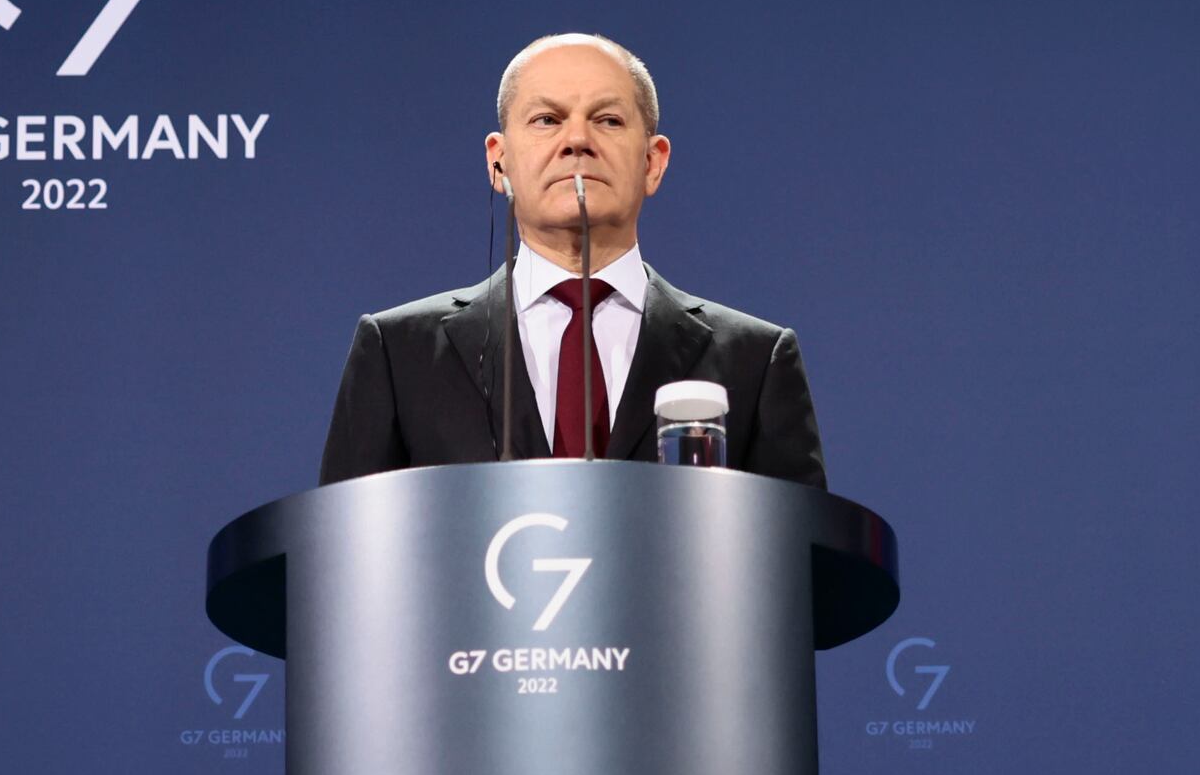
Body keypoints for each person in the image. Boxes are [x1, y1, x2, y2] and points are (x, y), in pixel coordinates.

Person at [321, 30, 825, 485]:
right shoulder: (398, 352)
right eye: (547, 120)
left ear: (653, 163)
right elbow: (342, 554)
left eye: (607, 120)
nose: (578, 141)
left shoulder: (756, 359)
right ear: (499, 163)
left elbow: (802, 567)